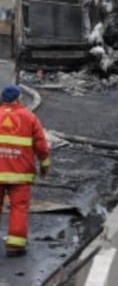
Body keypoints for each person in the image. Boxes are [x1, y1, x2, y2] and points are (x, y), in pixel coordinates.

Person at [0, 84, 50, 257]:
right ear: (19, 99)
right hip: (20, 174)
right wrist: (45, 165)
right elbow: (41, 146)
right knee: (19, 208)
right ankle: (15, 246)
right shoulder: (29, 117)